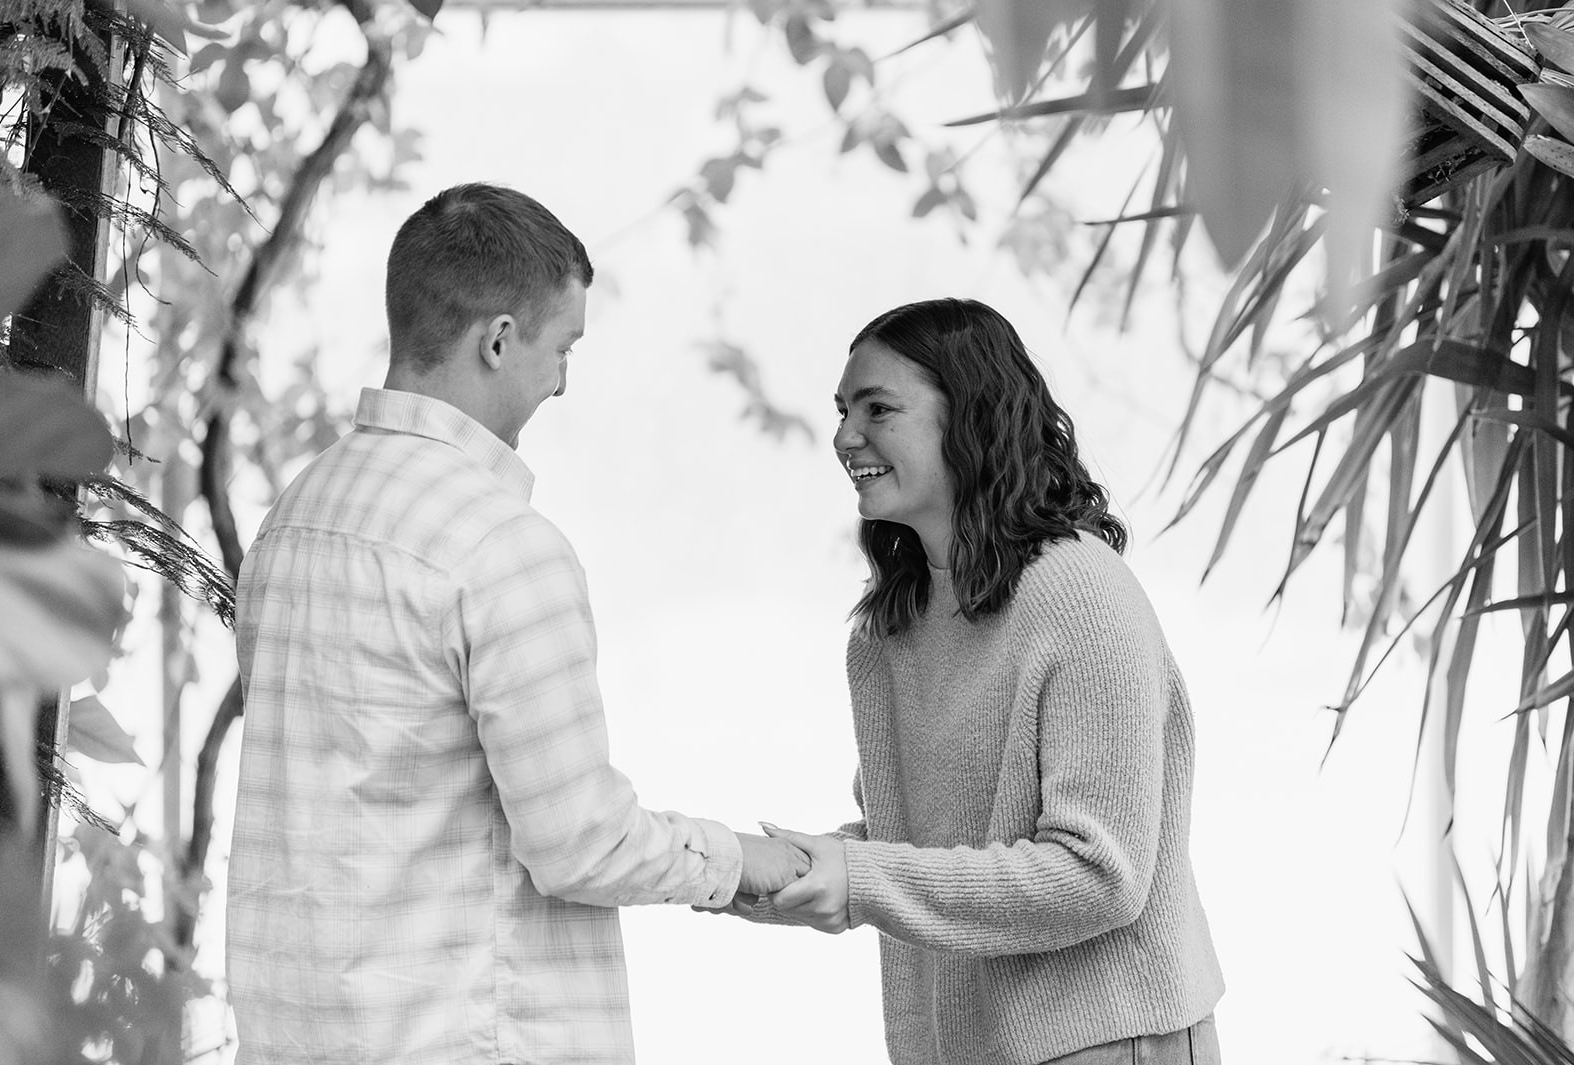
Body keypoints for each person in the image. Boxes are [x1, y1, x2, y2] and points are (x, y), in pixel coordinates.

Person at [225, 182, 808, 1065]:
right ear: (498, 340)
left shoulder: (295, 516)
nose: (564, 381)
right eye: (562, 347)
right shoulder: (501, 546)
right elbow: (580, 843)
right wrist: (733, 861)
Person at [726, 298, 1225, 1064]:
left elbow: (1100, 872)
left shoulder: (1080, 594)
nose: (843, 437)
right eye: (841, 410)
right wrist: (799, 867)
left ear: (971, 419)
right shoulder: (891, 628)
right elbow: (922, 847)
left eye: (878, 408)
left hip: (1108, 1040)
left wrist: (860, 876)